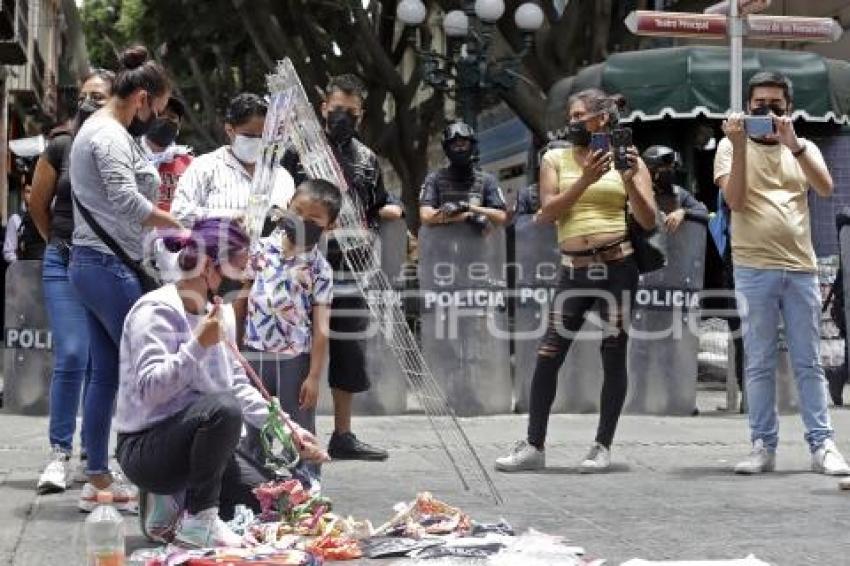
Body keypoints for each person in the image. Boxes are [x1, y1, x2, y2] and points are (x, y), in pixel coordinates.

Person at [115, 218, 327, 547]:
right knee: (223, 410)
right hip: (147, 449)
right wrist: (196, 346)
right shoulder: (155, 311)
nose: (245, 280)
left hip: (204, 442)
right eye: (240, 270)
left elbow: (238, 385)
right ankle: (197, 519)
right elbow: (150, 391)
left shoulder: (221, 312)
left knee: (277, 504)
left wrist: (288, 430)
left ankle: (183, 502)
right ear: (209, 269)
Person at [495, 89, 656, 473]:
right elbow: (545, 214)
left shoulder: (630, 159)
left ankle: (601, 446)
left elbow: (649, 220)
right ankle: (534, 444)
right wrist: (585, 179)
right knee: (549, 352)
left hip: (619, 267)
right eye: (571, 115)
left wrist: (630, 179)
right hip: (575, 271)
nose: (573, 122)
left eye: (580, 115)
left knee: (613, 353)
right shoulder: (554, 158)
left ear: (602, 118)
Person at [715, 71, 850, 476]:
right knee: (758, 360)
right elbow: (734, 200)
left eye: (776, 105)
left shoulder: (802, 147)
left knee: (808, 361)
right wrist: (739, 146)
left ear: (789, 109)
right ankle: (762, 445)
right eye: (760, 105)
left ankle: (822, 444)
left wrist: (794, 145)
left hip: (801, 267)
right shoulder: (728, 146)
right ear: (747, 106)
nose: (768, 112)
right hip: (753, 267)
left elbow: (825, 189)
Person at [68, 45, 183, 511]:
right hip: (108, 266)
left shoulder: (103, 130)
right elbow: (126, 202)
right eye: (154, 108)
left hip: (94, 264)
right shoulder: (110, 136)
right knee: (144, 371)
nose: (155, 117)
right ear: (140, 98)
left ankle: (99, 479)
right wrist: (176, 224)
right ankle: (150, 476)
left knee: (106, 374)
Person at [284, 74, 403, 461]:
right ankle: (293, 431)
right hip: (306, 258)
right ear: (323, 108)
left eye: (350, 113)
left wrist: (392, 210)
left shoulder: (367, 158)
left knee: (349, 347)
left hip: (354, 264)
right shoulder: (298, 152)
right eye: (336, 110)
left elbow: (378, 202)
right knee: (297, 343)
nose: (342, 118)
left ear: (361, 115)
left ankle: (343, 433)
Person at [29, 68, 115, 494]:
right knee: (73, 354)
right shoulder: (61, 144)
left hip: (105, 266)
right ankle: (59, 454)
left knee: (104, 362)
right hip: (63, 262)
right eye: (84, 95)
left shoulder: (119, 146)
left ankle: (92, 457)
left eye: (99, 97)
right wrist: (59, 244)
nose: (89, 103)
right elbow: (37, 204)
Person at [242, 179, 342, 470]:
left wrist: (313, 376)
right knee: (253, 430)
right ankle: (251, 491)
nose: (302, 222)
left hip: (295, 361)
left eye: (313, 219)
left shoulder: (319, 268)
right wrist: (236, 349)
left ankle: (306, 492)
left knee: (299, 430)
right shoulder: (259, 251)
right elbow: (242, 300)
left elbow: (321, 326)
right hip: (254, 355)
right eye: (298, 212)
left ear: (330, 226)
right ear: (287, 207)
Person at [171, 93, 294, 225]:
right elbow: (178, 213)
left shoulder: (282, 177)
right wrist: (225, 217)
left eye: (263, 136)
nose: (258, 142)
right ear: (230, 130)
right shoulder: (204, 168)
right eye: (249, 136)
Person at [419, 122, 507, 229]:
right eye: (455, 145)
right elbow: (425, 215)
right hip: (443, 243)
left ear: (472, 146)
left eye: (464, 144)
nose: (460, 149)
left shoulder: (487, 180)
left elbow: (501, 216)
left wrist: (468, 207)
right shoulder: (434, 179)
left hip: (477, 243)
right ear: (447, 149)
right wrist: (464, 216)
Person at [142, 96, 193, 212]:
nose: (165, 119)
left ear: (178, 126)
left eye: (172, 117)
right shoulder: (128, 155)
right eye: (160, 114)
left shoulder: (191, 164)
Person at [641, 145, 708, 231]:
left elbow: (703, 212)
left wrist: (684, 212)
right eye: (667, 168)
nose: (671, 171)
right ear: (652, 170)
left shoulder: (678, 193)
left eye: (672, 168)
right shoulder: (638, 192)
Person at [3, 183, 46, 262]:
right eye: (28, 192)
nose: (32, 195)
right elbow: (8, 252)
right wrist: (21, 263)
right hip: (25, 268)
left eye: (35, 192)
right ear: (23, 194)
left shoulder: (47, 219)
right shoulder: (16, 219)